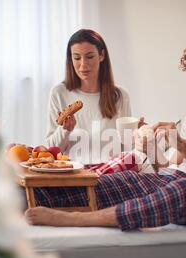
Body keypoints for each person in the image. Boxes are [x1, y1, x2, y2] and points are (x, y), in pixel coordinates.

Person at [26, 37, 186, 231]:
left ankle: (75, 220)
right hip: (169, 178)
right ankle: (25, 199)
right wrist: (150, 142)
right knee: (111, 180)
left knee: (184, 191)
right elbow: (164, 166)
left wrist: (182, 144)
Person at [46, 29, 142, 163]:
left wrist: (139, 136)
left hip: (110, 175)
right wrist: (65, 131)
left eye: (90, 56)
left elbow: (127, 149)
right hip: (73, 175)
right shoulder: (59, 93)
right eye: (77, 57)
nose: (83, 64)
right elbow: (51, 152)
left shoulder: (120, 96)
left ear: (101, 55)